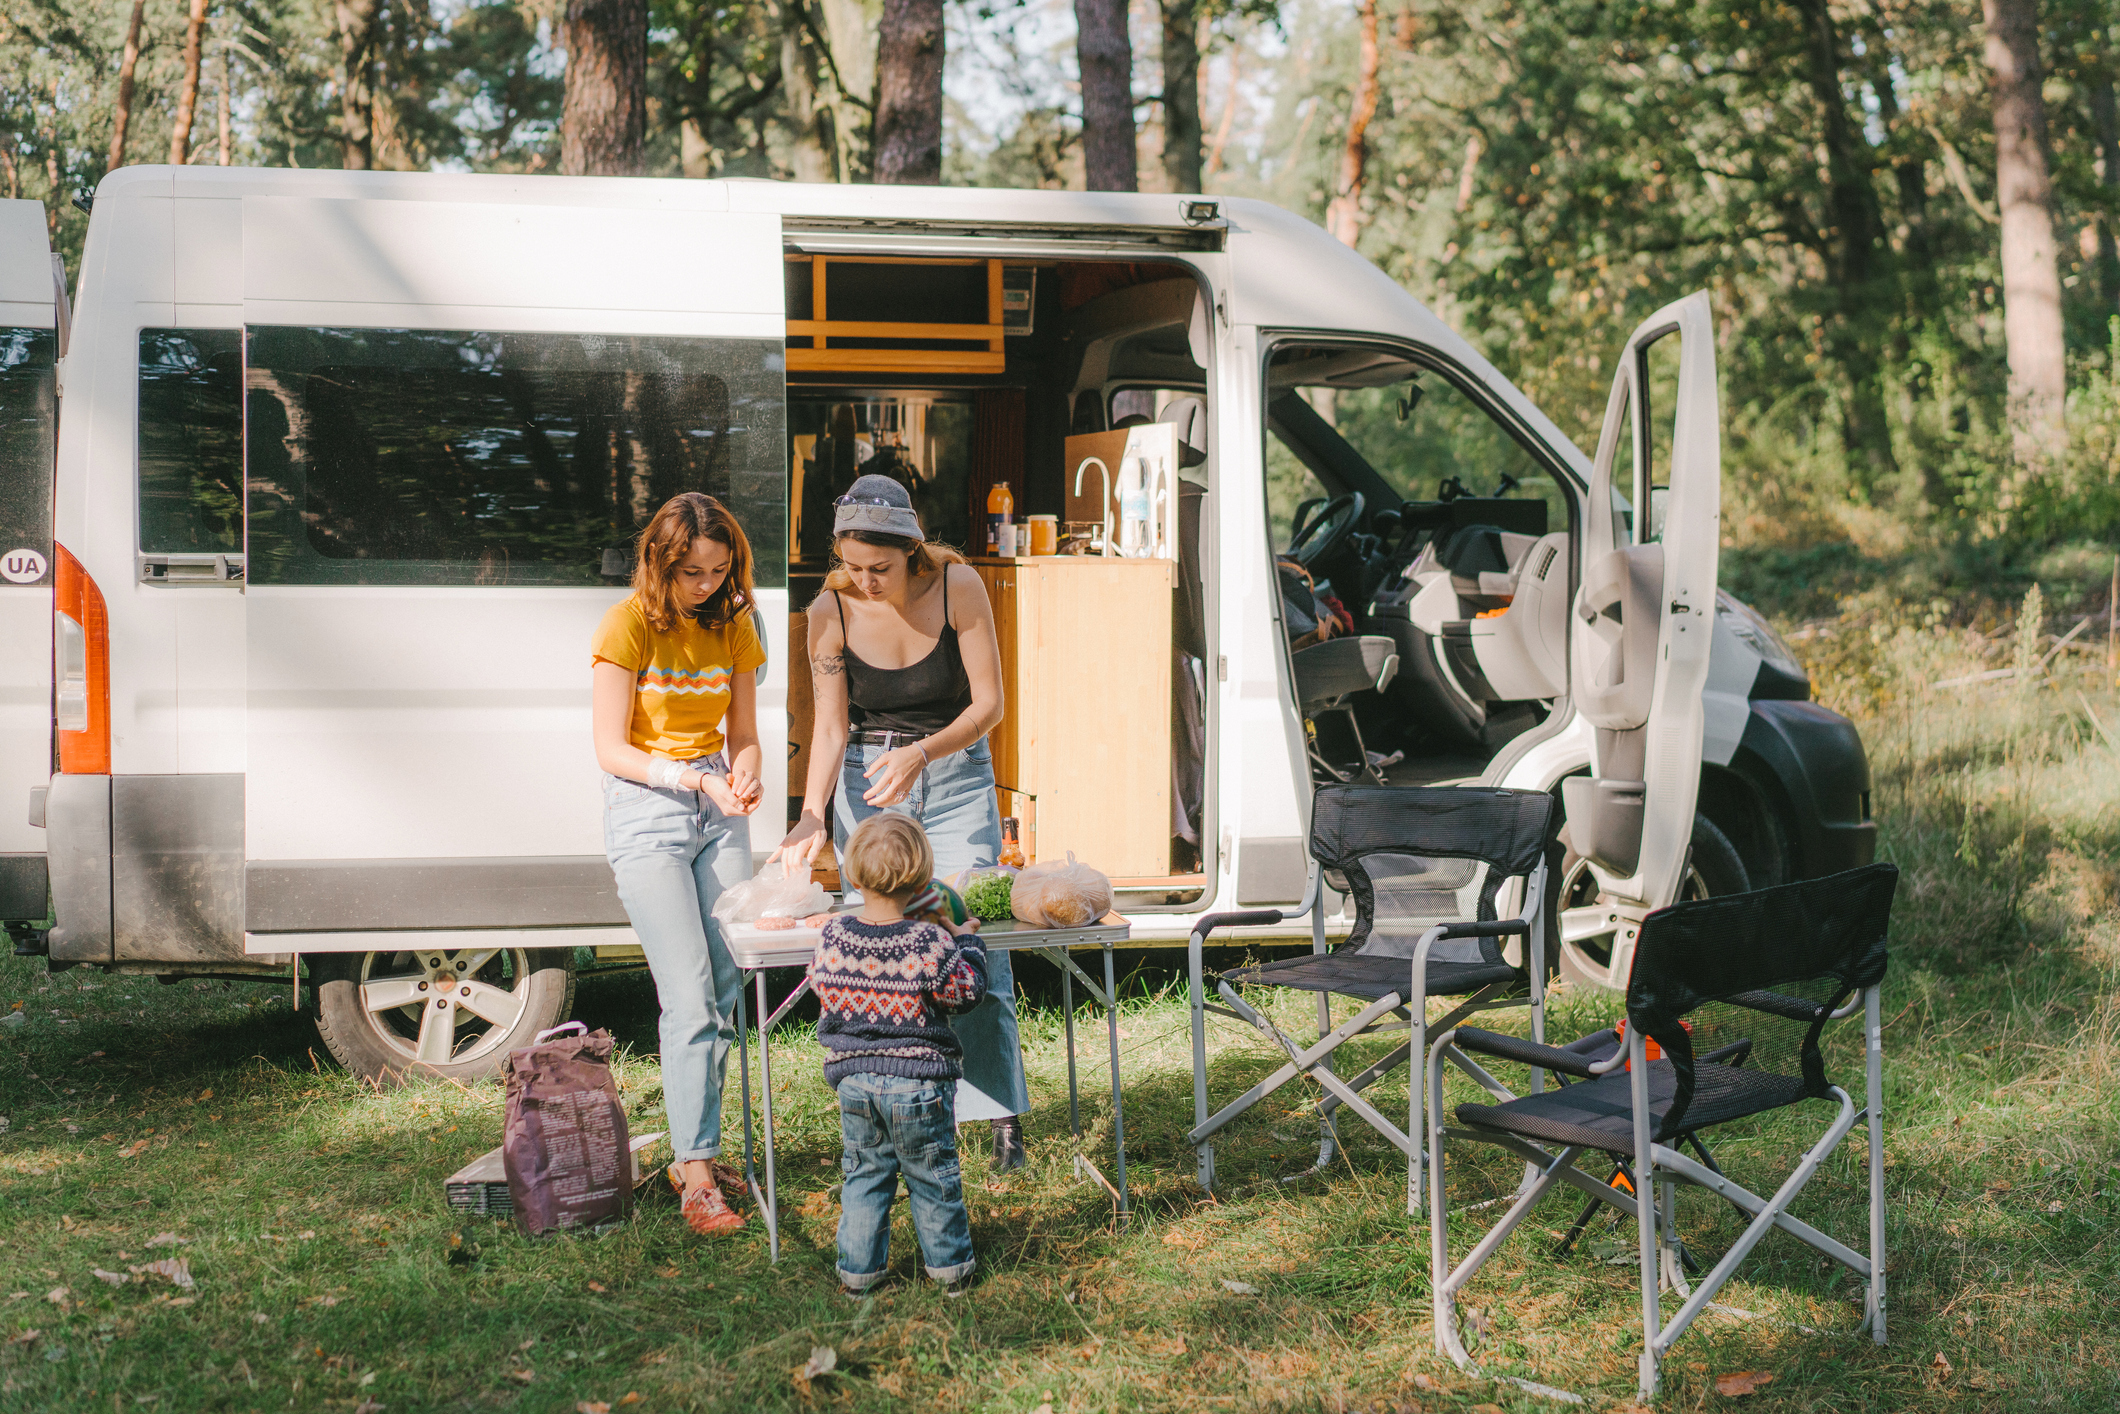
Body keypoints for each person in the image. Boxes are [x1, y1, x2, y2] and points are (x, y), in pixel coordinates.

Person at [771, 473, 1031, 1170]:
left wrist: (922, 751)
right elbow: (828, 728)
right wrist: (809, 815)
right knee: (883, 954)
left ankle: (999, 1116)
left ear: (912, 551)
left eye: (878, 569)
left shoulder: (957, 587)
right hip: (869, 783)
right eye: (852, 567)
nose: (865, 581)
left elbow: (990, 705)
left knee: (973, 937)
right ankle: (894, 1113)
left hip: (950, 775)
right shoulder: (829, 609)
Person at [590, 492, 764, 1236]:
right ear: (660, 565)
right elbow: (610, 748)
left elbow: (746, 732)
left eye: (719, 572)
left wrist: (747, 772)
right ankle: (696, 1174)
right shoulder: (625, 625)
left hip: (716, 802)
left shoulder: (734, 623)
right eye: (692, 572)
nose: (706, 586)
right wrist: (694, 778)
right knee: (688, 992)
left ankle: (699, 1150)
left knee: (724, 984)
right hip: (648, 806)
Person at [809, 814, 987, 1296]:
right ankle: (950, 1272)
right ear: (921, 877)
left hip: (854, 1081)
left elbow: (820, 984)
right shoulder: (929, 941)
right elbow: (966, 993)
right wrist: (966, 940)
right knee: (932, 1175)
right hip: (918, 1082)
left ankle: (858, 1275)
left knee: (865, 1174)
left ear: (854, 874)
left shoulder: (833, 935)